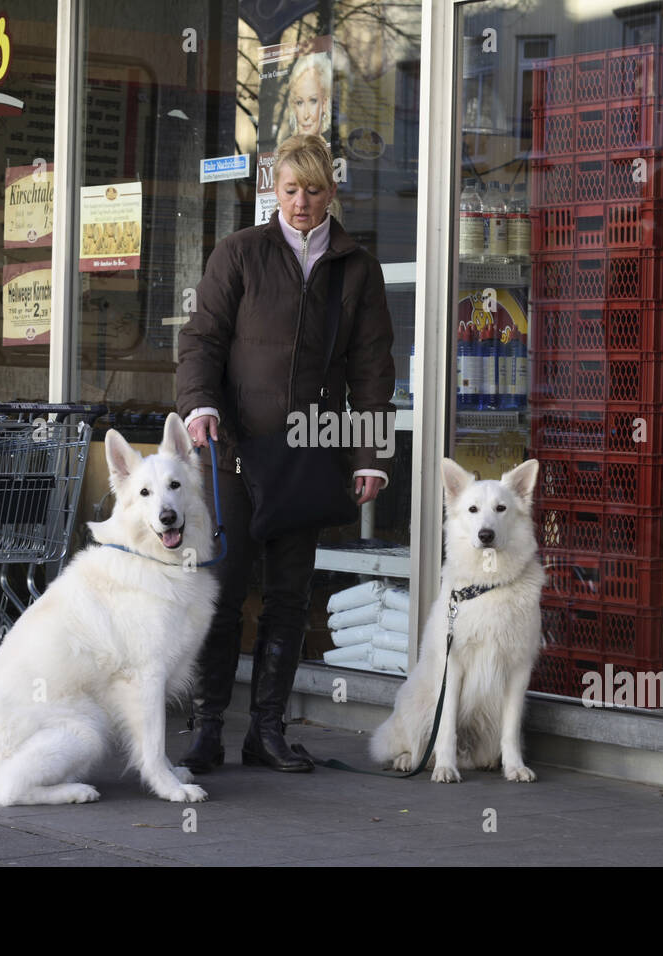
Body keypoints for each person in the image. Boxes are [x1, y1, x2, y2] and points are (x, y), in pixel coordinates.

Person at [176, 133, 395, 773]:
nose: (302, 203)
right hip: (234, 458)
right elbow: (202, 341)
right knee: (222, 592)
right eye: (292, 190)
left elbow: (373, 372)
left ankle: (266, 730)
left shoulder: (357, 268)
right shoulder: (239, 253)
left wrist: (369, 457)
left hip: (307, 458)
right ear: (274, 189)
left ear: (332, 191)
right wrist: (200, 406)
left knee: (291, 599)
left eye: (315, 190)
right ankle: (207, 726)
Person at [278, 53, 332, 145]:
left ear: (324, 104)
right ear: (294, 106)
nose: (306, 115)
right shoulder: (283, 153)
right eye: (299, 102)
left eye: (313, 101)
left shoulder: (335, 150)